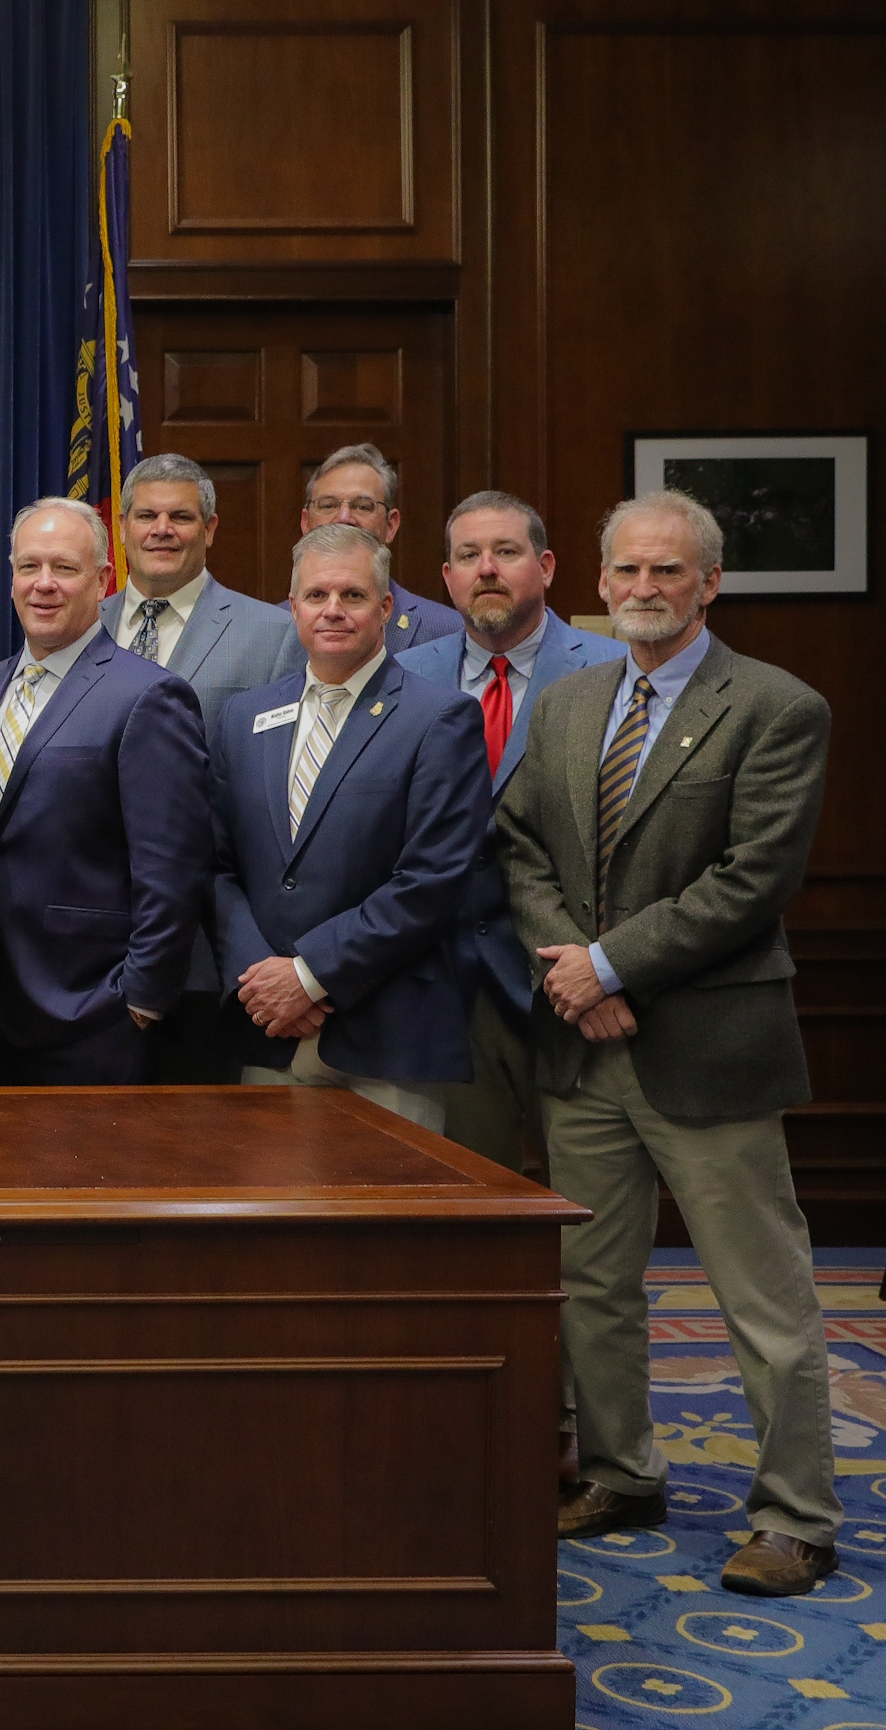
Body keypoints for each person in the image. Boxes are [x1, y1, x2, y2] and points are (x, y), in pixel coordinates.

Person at [494, 489, 838, 1595]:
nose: (645, 589)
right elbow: (517, 852)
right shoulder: (568, 703)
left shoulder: (778, 706)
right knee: (593, 1282)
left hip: (710, 1047)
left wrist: (612, 962)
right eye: (628, 571)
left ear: (709, 584)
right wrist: (575, 969)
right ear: (598, 579)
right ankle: (622, 1471)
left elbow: (753, 880)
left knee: (760, 1292)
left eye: (668, 572)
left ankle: (795, 1514)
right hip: (583, 1049)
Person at [209, 525, 486, 1129]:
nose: (332, 610)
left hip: (384, 1037)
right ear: (293, 608)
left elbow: (432, 880)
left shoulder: (440, 717)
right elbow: (216, 867)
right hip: (268, 1032)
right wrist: (263, 980)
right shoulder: (244, 716)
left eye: (353, 596)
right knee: (272, 1221)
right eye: (316, 596)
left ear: (385, 607)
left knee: (385, 1223)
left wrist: (310, 976)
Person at [392, 491, 623, 1169]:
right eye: (468, 556)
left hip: (577, 976)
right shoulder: (404, 677)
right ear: (447, 577)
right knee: (471, 1203)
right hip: (452, 982)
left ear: (546, 566)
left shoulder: (610, 671)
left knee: (589, 1202)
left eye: (506, 552)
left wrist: (610, 964)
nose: (486, 569)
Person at [0, 499, 210, 1085]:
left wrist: (140, 1002)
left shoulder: (149, 697)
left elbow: (172, 868)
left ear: (104, 580)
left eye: (64, 568)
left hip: (91, 1016)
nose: (43, 585)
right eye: (29, 567)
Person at [99, 452, 305, 1081]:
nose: (163, 529)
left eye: (181, 517)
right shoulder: (80, 623)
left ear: (210, 529)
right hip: (91, 935)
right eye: (147, 516)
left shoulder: (273, 634)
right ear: (124, 529)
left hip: (211, 944)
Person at [300, 442, 466, 652]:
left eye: (362, 506)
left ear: (391, 525)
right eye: (328, 505)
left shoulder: (447, 630)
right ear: (305, 523)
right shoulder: (273, 630)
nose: (343, 518)